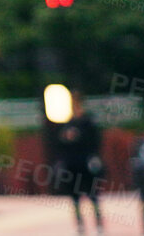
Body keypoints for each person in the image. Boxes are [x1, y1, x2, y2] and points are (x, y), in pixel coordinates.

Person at [50, 94, 106, 234]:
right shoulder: (65, 123)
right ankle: (80, 224)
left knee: (93, 194)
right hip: (71, 164)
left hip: (86, 163)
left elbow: (95, 141)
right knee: (74, 196)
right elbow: (58, 144)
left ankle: (98, 223)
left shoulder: (87, 121)